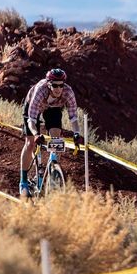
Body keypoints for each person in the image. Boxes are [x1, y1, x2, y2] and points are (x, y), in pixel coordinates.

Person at [20, 68, 83, 196]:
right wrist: (36, 134)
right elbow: (31, 120)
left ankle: (53, 170)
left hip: (53, 108)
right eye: (55, 85)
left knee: (56, 139)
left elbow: (74, 118)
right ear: (49, 84)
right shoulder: (40, 91)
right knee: (30, 143)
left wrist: (76, 133)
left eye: (61, 85)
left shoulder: (68, 93)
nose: (58, 89)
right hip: (34, 107)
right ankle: (23, 181)